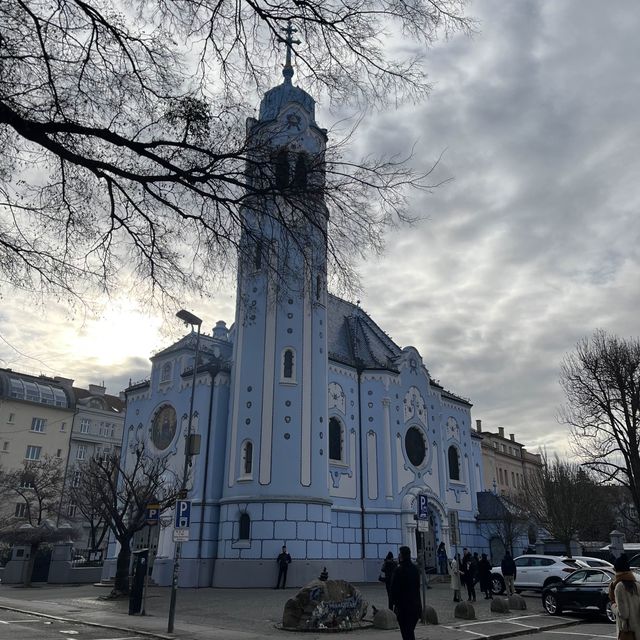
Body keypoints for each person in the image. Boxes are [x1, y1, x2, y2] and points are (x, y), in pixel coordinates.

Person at [390, 546, 422, 640]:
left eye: (399, 554)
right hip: (415, 607)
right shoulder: (415, 570)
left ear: (402, 556)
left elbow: (393, 590)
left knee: (406, 633)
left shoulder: (398, 570)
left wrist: (394, 605)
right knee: (409, 632)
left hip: (403, 609)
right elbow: (417, 587)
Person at [612, 555, 640, 640]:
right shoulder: (637, 585)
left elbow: (624, 614)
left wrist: (613, 607)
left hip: (628, 631)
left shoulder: (620, 587)